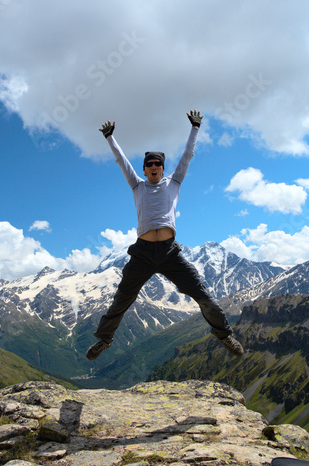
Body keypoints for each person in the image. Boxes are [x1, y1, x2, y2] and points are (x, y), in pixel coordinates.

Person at [86, 110, 244, 361]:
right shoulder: (137, 185)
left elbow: (188, 155)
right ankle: (104, 340)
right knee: (122, 299)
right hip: (143, 253)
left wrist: (195, 128)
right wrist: (109, 138)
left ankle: (224, 335)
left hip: (170, 253)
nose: (153, 167)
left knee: (202, 294)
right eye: (149, 164)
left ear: (162, 167)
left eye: (157, 163)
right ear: (144, 169)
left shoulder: (174, 182)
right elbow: (121, 160)